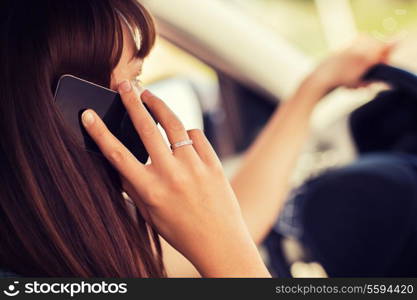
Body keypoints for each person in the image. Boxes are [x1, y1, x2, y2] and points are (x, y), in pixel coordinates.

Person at [0, 0, 392, 277]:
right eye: (131, 83)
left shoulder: (70, 244)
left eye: (139, 83)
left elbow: (229, 228)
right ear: (67, 113)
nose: (141, 108)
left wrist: (315, 85)